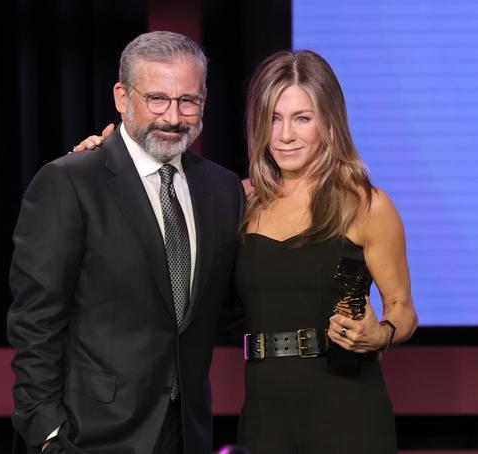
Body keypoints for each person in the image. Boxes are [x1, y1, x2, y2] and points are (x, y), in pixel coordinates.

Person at [77, 49, 418, 454]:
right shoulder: (238, 200)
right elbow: (156, 226)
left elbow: (403, 308)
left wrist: (379, 334)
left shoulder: (365, 204)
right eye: (273, 118)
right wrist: (109, 163)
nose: (285, 134)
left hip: (347, 411)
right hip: (263, 417)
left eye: (301, 118)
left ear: (329, 122)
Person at [7, 31, 245, 454]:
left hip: (186, 434)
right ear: (121, 97)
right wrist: (47, 433)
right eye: (157, 98)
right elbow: (35, 322)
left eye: (187, 101)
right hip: (89, 435)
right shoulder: (71, 182)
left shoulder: (223, 189)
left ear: (204, 101)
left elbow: (228, 308)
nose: (173, 117)